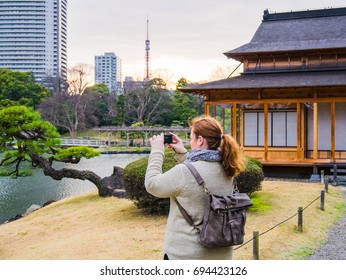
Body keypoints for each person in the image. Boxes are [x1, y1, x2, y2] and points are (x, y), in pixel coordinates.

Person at [145, 115, 245, 260]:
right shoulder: (228, 168)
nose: (190, 142)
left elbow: (152, 185)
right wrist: (182, 152)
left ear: (200, 140)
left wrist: (156, 151)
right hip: (222, 255)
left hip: (185, 256)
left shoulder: (183, 173)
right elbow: (199, 172)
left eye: (191, 137)